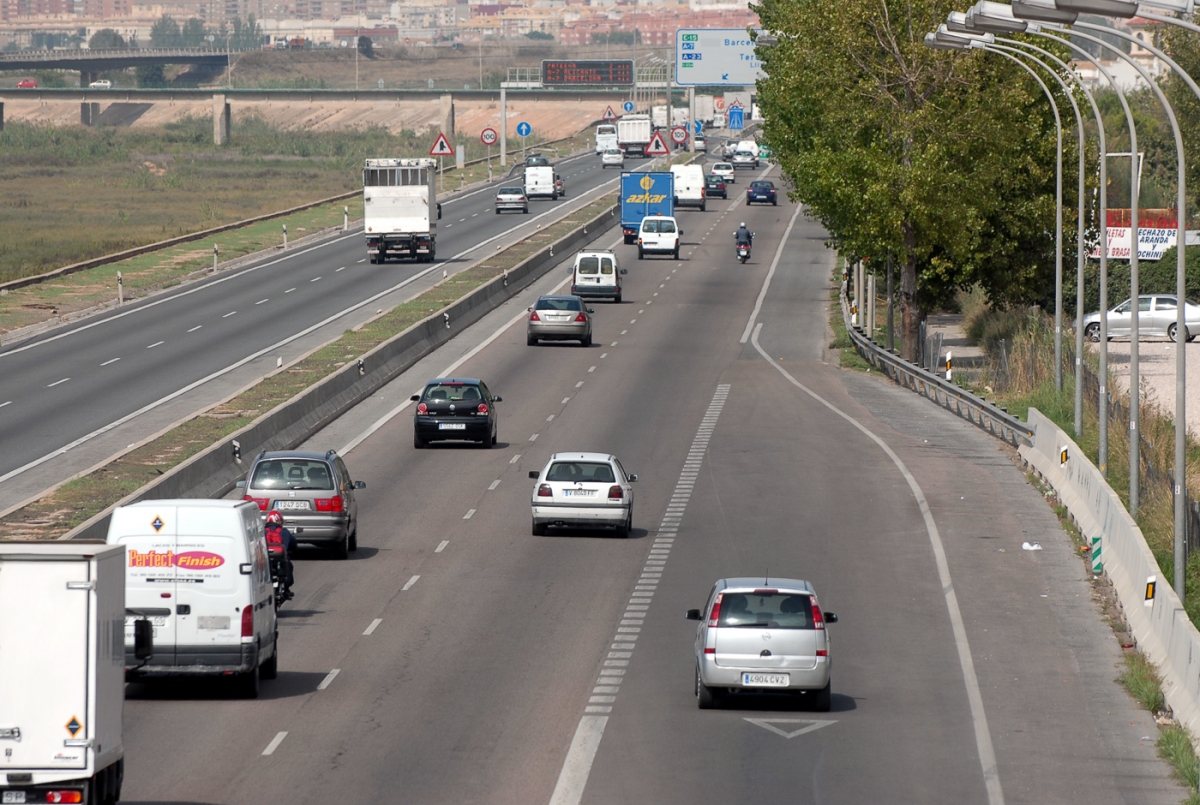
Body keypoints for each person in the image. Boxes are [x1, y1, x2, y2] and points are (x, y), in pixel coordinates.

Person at [264, 510, 297, 600]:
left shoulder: (262, 532)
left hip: (265, 560)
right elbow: (294, 545)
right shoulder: (284, 532)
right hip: (281, 560)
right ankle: (286, 589)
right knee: (289, 566)